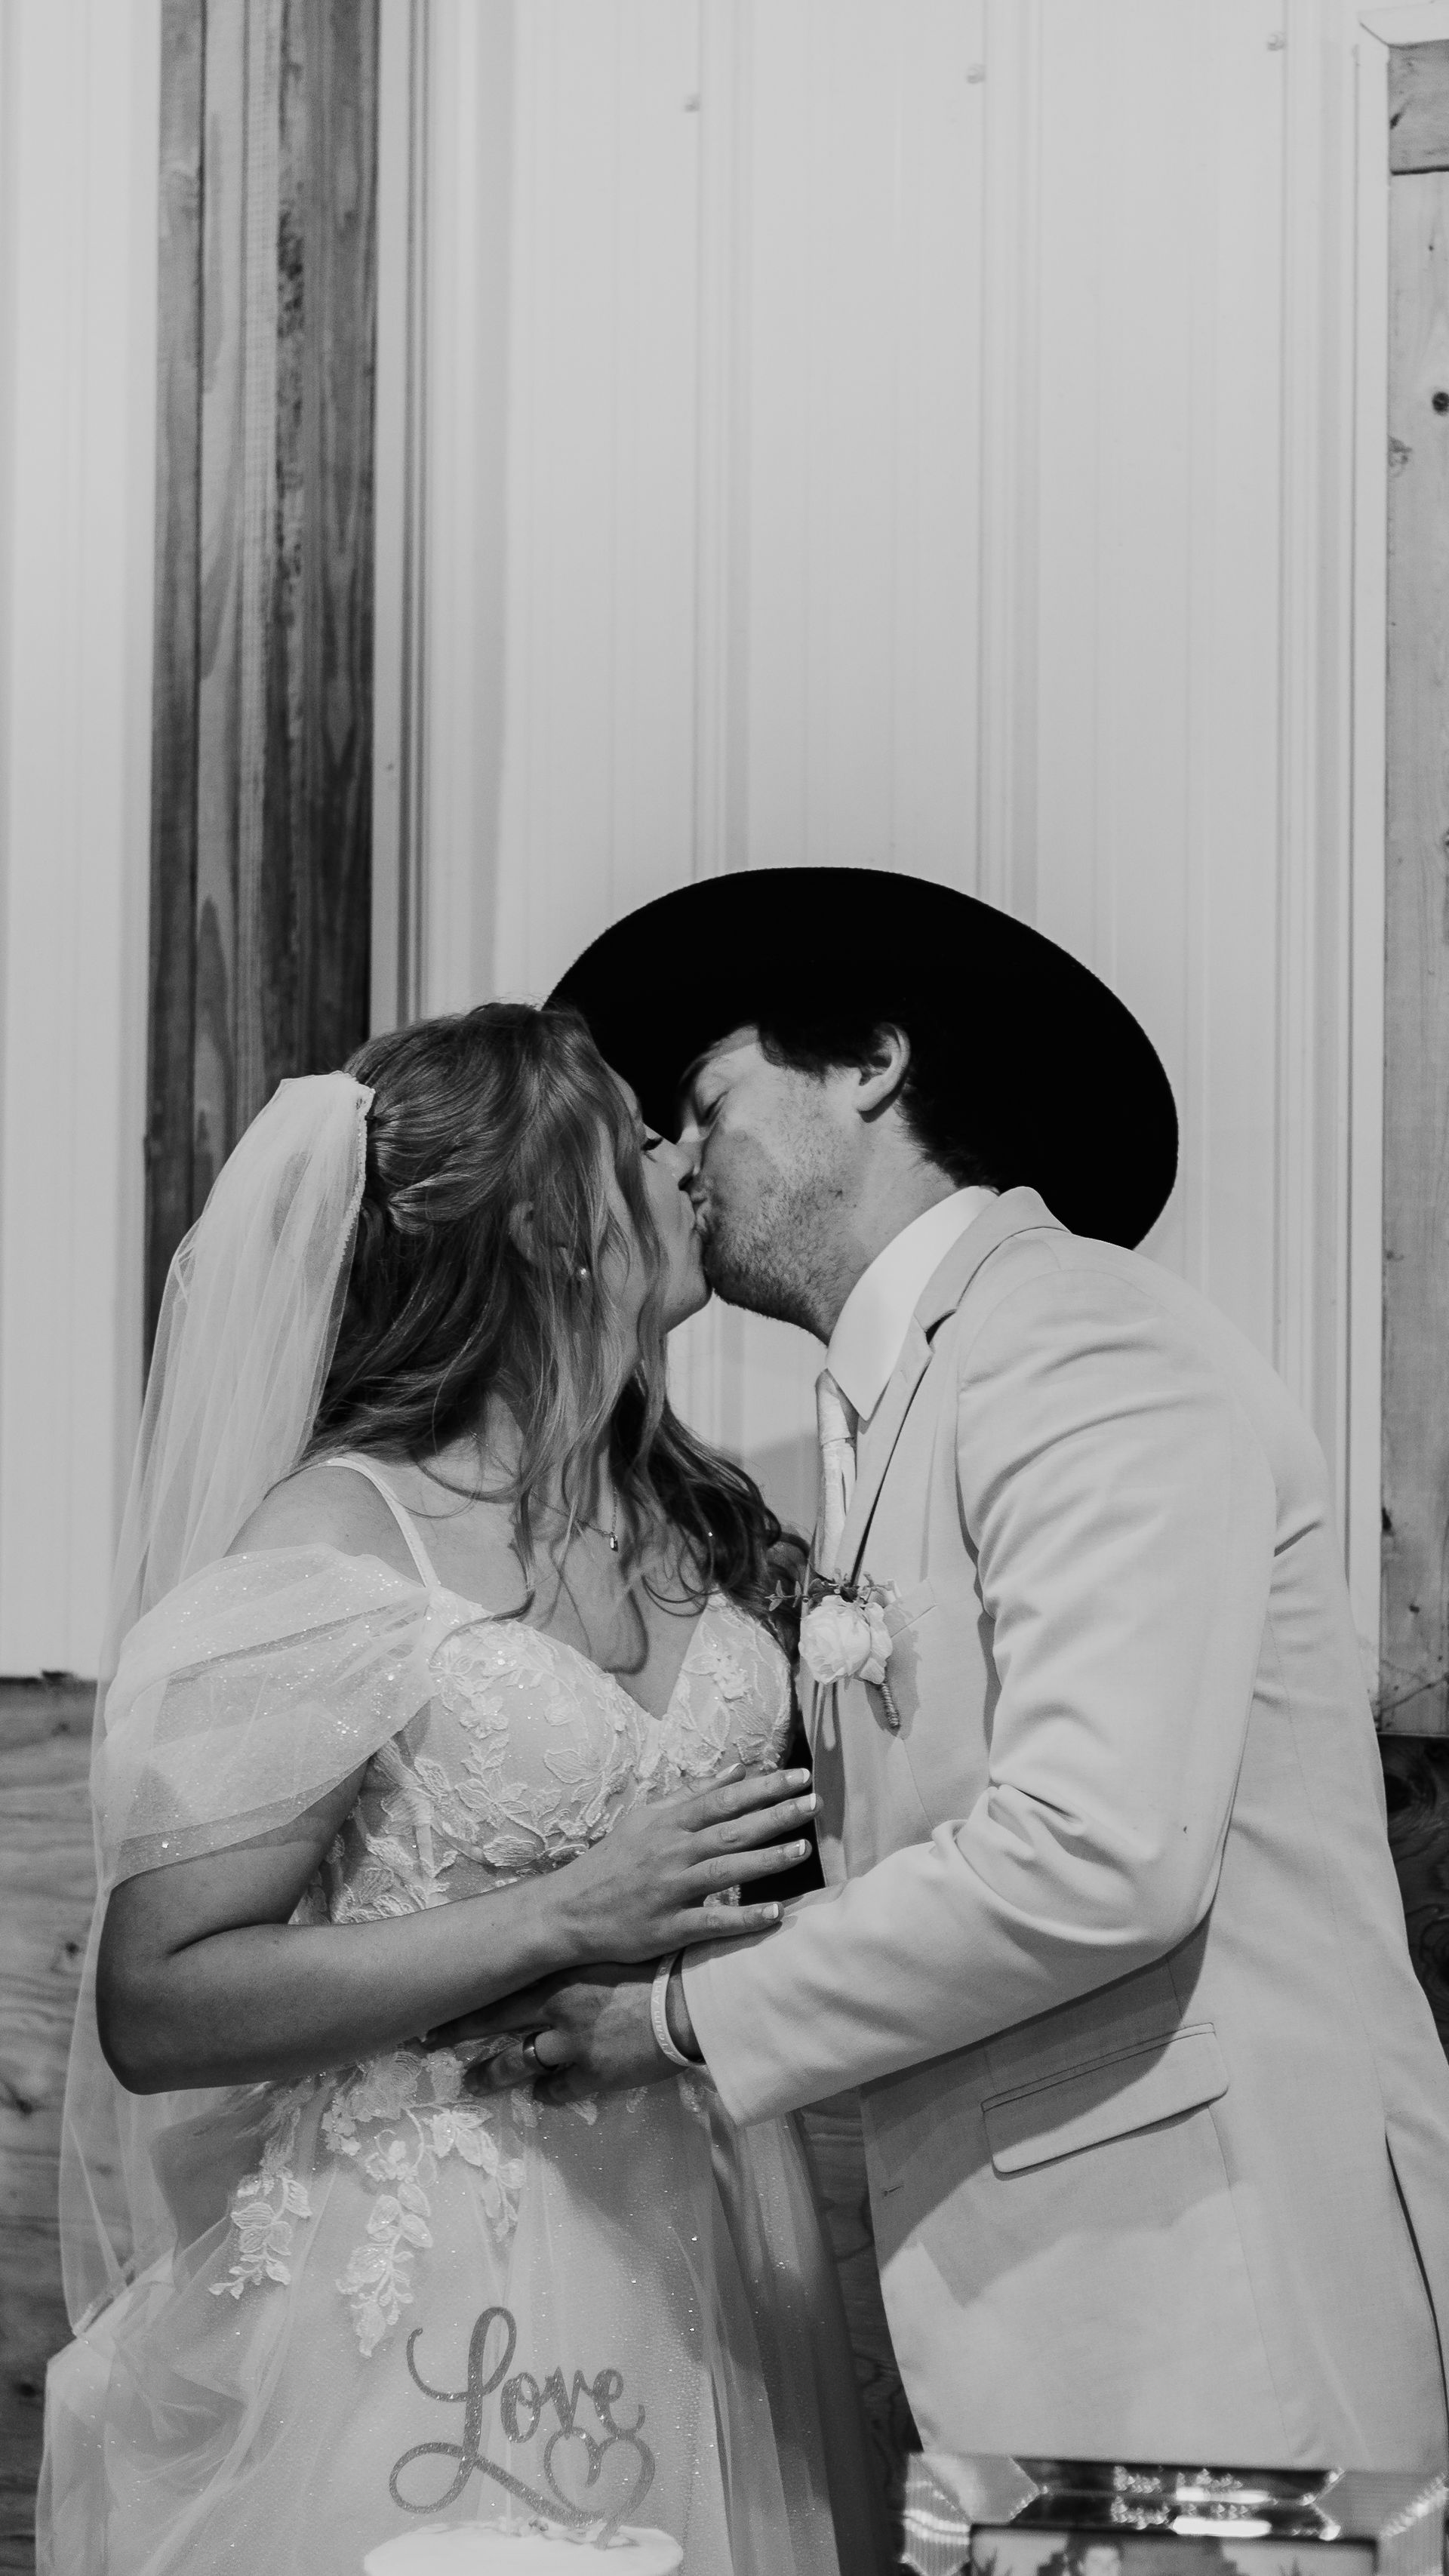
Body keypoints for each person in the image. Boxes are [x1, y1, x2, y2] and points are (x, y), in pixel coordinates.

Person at [450, 866, 1449, 2476]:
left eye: (707, 1103)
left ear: (868, 1067)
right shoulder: (905, 1399)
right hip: (1035, 2323)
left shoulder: (1079, 1342)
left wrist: (686, 2020)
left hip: (1214, 2318)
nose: (678, 1165)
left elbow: (1100, 1856)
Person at [38, 1002, 887, 2576]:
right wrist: (563, 1914)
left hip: (707, 2230)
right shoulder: (338, 1547)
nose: (678, 1157)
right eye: (635, 1134)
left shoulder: (696, 1516)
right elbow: (160, 2003)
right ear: (549, 1224)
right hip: (421, 2291)